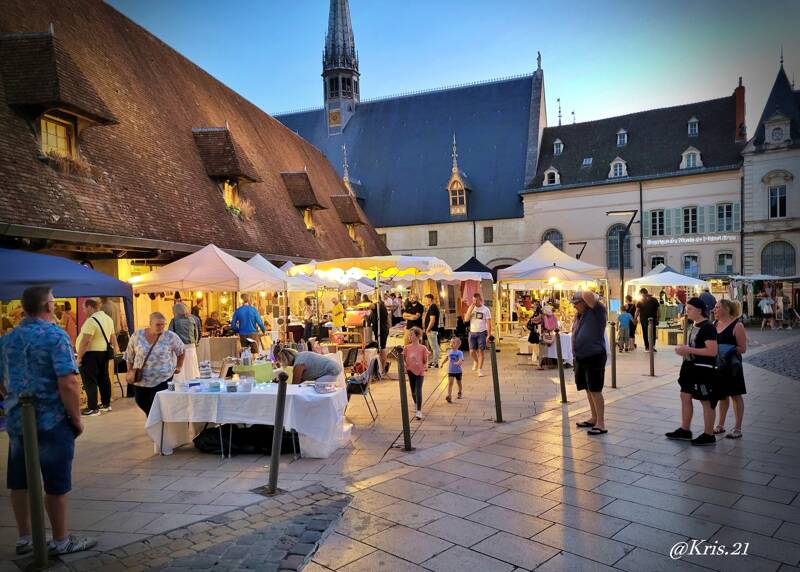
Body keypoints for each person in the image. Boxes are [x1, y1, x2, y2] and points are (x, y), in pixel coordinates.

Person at [0, 286, 97, 557]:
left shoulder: (8, 339)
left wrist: (12, 400)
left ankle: (25, 538)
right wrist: (76, 418)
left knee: (19, 481)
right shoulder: (56, 336)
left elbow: (2, 381)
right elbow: (68, 381)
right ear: (49, 306)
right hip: (52, 419)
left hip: (18, 421)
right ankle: (60, 540)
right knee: (56, 482)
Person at [666, 298, 719, 446]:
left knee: (706, 400)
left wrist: (688, 349)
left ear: (699, 310)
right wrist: (685, 348)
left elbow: (712, 351)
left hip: (703, 369)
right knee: (685, 395)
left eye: (689, 309)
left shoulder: (708, 327)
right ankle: (685, 429)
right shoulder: (694, 325)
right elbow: (696, 345)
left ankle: (709, 434)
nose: (686, 312)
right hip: (690, 366)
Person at [125, 312, 185, 416]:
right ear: (150, 323)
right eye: (158, 324)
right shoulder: (137, 335)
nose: (161, 327)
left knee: (157, 405)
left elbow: (182, 350)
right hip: (141, 379)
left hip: (163, 378)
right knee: (141, 402)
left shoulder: (170, 336)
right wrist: (130, 371)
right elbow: (129, 355)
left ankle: (156, 426)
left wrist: (179, 366)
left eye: (163, 324)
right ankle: (153, 422)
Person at [571, 291, 608, 435]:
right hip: (581, 356)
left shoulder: (597, 311)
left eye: (576, 303)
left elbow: (587, 294)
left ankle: (601, 423)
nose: (574, 306)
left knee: (595, 389)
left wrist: (581, 288)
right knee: (588, 388)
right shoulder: (580, 315)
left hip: (595, 355)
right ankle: (594, 418)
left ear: (585, 302)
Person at [76, 298, 117, 416]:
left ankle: (93, 408)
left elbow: (85, 341)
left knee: (90, 381)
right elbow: (112, 337)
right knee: (103, 379)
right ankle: (106, 404)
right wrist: (116, 350)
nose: (84, 311)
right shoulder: (108, 319)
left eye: (84, 308)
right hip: (103, 353)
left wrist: (79, 357)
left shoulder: (91, 321)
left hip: (90, 355)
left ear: (90, 307)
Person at [714, 299, 747, 439]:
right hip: (719, 365)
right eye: (714, 307)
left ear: (726, 309)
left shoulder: (737, 325)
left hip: (732, 366)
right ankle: (720, 425)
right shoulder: (715, 324)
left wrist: (726, 350)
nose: (714, 310)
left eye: (717, 307)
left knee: (735, 395)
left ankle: (737, 428)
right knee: (722, 396)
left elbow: (743, 348)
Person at [275, 346, 342, 385]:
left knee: (318, 391)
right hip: (333, 368)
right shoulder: (301, 355)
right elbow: (300, 381)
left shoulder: (298, 364)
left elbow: (295, 385)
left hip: (330, 371)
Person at [168, 303, 200, 381]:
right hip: (191, 346)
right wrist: (195, 342)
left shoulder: (174, 321)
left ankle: (179, 384)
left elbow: (170, 334)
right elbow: (197, 333)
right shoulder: (193, 319)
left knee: (179, 366)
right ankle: (192, 381)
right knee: (191, 366)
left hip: (179, 346)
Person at [403, 327, 429, 419]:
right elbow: (403, 359)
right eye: (409, 334)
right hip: (410, 370)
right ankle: (416, 403)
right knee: (413, 391)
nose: (410, 336)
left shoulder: (423, 348)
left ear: (418, 336)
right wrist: (405, 365)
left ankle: (419, 410)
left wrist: (426, 365)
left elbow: (426, 360)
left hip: (420, 371)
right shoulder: (406, 348)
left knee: (418, 390)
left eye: (412, 334)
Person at [464, 292, 492, 376]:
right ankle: (476, 361)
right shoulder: (471, 308)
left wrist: (489, 334)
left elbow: (488, 323)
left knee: (481, 352)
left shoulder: (485, 309)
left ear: (480, 300)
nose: (474, 302)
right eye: (473, 300)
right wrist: (470, 310)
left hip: (482, 333)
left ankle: (479, 369)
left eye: (476, 300)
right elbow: (466, 320)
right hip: (472, 332)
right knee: (472, 351)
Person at [367, 296, 389, 372]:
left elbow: (372, 306)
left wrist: (365, 305)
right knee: (379, 349)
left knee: (382, 348)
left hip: (382, 331)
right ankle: (380, 367)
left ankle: (382, 368)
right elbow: (370, 318)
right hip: (377, 331)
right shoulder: (374, 309)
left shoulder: (379, 305)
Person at [423, 293, 441, 367]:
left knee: (434, 347)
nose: (425, 301)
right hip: (431, 330)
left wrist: (428, 329)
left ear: (430, 299)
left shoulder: (433, 307)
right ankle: (434, 360)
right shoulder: (431, 307)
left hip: (431, 330)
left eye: (426, 299)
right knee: (434, 346)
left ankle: (435, 362)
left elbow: (432, 320)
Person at [445, 337, 464, 403]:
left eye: (453, 342)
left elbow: (461, 360)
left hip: (458, 371)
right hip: (451, 371)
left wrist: (458, 362)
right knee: (450, 383)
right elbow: (447, 358)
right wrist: (442, 363)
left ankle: (460, 392)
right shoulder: (449, 352)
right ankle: (449, 395)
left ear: (458, 345)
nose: (451, 344)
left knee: (459, 383)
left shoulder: (460, 353)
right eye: (451, 342)